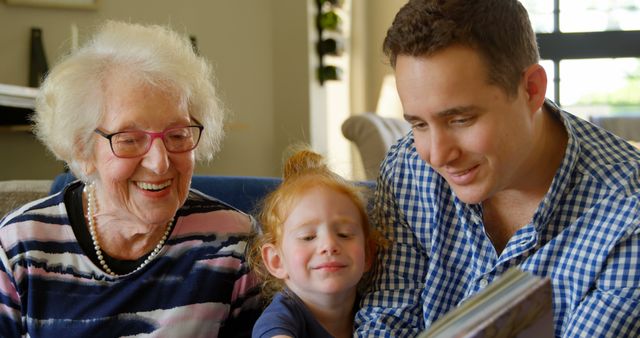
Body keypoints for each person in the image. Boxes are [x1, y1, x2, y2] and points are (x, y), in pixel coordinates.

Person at [355, 0, 640, 337]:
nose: (437, 154)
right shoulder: (407, 170)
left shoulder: (628, 212)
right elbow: (385, 321)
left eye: (460, 119)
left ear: (531, 89)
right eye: (419, 124)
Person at [0, 21, 260, 337]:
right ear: (82, 148)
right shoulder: (20, 245)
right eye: (130, 139)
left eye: (177, 135)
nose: (160, 162)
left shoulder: (234, 243)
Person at [249, 149, 384, 338]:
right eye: (308, 237)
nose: (329, 244)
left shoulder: (380, 312)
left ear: (368, 253)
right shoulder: (279, 321)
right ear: (276, 261)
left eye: (344, 234)